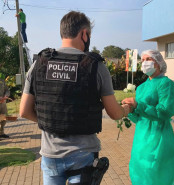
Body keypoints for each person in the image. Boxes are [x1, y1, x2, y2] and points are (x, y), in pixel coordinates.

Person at [19, 11, 130, 185]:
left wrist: (52, 121)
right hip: (83, 156)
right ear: (84, 34)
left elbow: (24, 111)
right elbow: (115, 113)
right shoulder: (96, 66)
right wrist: (128, 108)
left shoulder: (39, 64)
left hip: (50, 155)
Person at [122, 50, 174, 185]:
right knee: (139, 168)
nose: (145, 63)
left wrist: (139, 105)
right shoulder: (141, 87)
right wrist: (130, 110)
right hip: (141, 137)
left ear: (159, 63)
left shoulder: (165, 84)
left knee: (155, 171)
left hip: (158, 136)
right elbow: (139, 119)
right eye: (142, 60)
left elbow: (164, 112)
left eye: (149, 59)